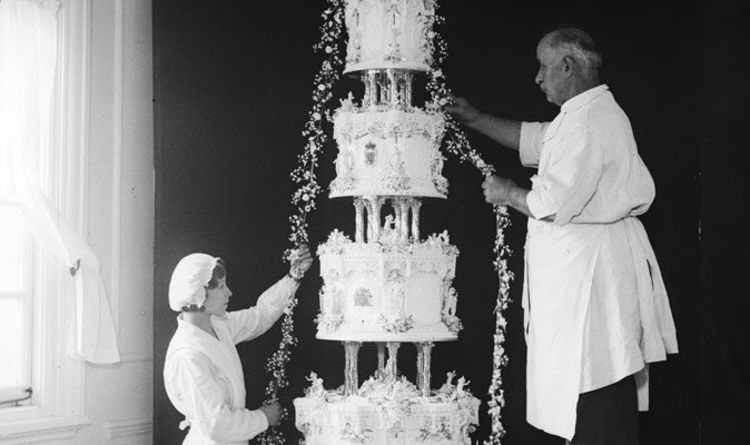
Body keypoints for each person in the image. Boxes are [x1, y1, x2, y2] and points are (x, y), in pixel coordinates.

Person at [448, 27, 678, 444]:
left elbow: (553, 201)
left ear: (567, 66)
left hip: (593, 282)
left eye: (543, 66)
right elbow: (535, 139)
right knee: (587, 387)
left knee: (596, 388)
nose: (538, 78)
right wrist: (476, 119)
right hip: (580, 280)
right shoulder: (580, 115)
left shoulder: (591, 122)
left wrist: (507, 192)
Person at [163, 244, 313, 445]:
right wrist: (263, 418)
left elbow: (259, 316)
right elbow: (217, 424)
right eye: (222, 286)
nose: (229, 293)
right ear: (199, 293)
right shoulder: (188, 354)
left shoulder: (217, 325)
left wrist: (293, 276)